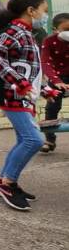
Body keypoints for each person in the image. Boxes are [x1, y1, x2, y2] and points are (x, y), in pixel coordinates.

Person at [0, 0, 50, 212]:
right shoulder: (15, 31)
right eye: (44, 9)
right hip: (11, 95)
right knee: (34, 140)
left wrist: (44, 89)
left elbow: (29, 68)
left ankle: (3, 182)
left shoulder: (27, 33)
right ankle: (7, 184)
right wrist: (20, 83)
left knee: (25, 139)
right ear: (31, 11)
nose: (45, 13)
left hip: (19, 96)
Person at [39, 13, 69, 153]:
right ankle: (49, 139)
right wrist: (56, 81)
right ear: (55, 29)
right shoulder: (48, 41)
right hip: (57, 78)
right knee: (51, 107)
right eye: (65, 29)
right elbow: (45, 62)